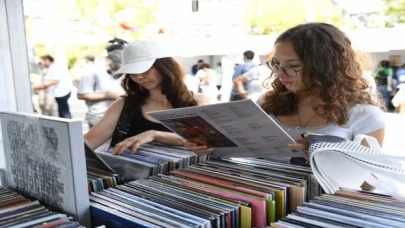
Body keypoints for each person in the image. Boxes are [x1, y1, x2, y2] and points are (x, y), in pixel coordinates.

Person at [186, 23, 386, 163]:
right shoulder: (266, 102)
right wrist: (211, 146)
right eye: (276, 64)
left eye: (292, 66)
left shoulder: (364, 114)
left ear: (325, 67)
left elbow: (370, 180)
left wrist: (328, 157)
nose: (280, 74)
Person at [84, 40, 211, 155]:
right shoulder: (124, 104)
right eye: (132, 72)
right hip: (133, 177)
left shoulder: (198, 101)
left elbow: (211, 140)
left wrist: (155, 135)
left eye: (145, 69)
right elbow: (89, 141)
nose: (138, 77)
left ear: (165, 66)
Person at [77, 49, 125, 129]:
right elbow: (81, 95)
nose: (117, 69)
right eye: (115, 65)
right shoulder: (91, 72)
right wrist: (109, 96)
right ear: (107, 60)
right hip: (99, 117)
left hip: (119, 117)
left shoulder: (117, 72)